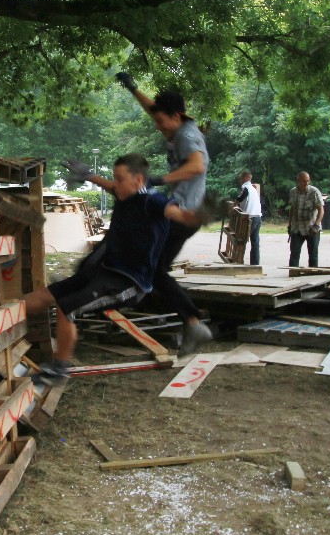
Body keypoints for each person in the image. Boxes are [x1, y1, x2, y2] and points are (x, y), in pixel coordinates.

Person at [27, 154, 209, 385]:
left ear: (139, 180)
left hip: (128, 282)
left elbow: (178, 214)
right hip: (103, 271)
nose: (115, 184)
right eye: (115, 178)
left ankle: (59, 369)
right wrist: (88, 175)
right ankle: (0, 320)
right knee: (46, 295)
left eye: (120, 179)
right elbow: (109, 185)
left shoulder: (153, 201)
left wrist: (198, 215)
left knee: (66, 307)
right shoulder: (125, 193)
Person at [112, 73, 213, 353]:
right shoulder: (176, 125)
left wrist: (159, 179)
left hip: (183, 214)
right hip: (185, 213)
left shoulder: (187, 136)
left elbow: (197, 166)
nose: (158, 127)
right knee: (156, 269)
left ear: (176, 116)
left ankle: (189, 320)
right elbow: (153, 109)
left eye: (161, 122)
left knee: (149, 262)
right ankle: (191, 322)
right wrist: (133, 88)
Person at [287, 172, 323, 267]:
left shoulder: (314, 192)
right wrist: (290, 225)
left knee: (313, 255)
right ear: (298, 181)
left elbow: (321, 210)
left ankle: (312, 273)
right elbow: (292, 209)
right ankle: (293, 273)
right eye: (303, 181)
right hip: (297, 228)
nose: (306, 183)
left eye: (308, 181)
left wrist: (316, 225)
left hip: (311, 227)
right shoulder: (293, 192)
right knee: (294, 254)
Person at [236, 170, 263, 265]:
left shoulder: (246, 188)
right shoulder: (253, 189)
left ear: (245, 178)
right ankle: (255, 264)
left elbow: (239, 198)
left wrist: (233, 206)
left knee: (241, 240)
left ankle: (238, 261)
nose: (240, 180)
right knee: (255, 242)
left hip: (250, 218)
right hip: (258, 217)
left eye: (241, 178)